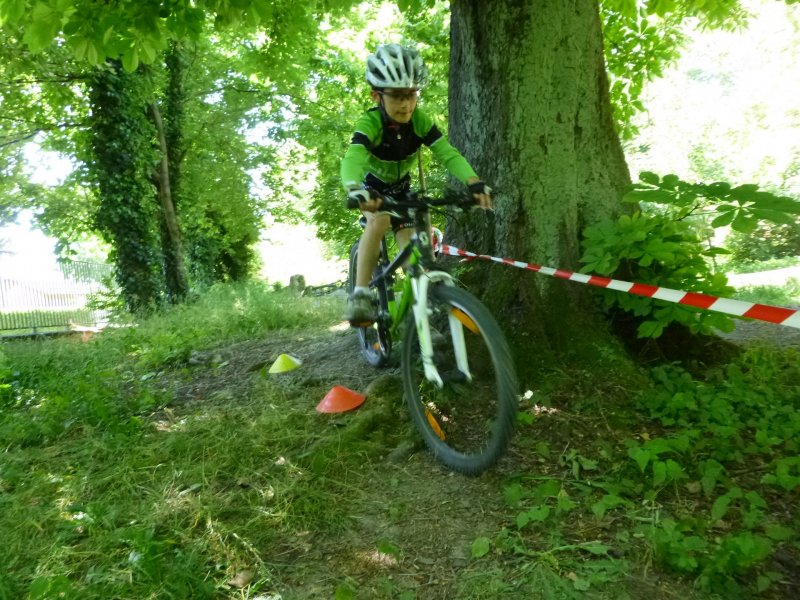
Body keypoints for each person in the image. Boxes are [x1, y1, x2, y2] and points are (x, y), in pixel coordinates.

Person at [341, 43, 492, 325]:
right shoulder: (371, 123)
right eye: (397, 96)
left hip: (402, 190)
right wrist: (353, 188)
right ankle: (360, 295)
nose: (405, 104)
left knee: (415, 259)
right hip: (373, 191)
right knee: (379, 222)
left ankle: (420, 329)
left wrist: (474, 182)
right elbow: (353, 157)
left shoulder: (420, 121)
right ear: (377, 95)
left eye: (411, 95)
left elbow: (447, 153)